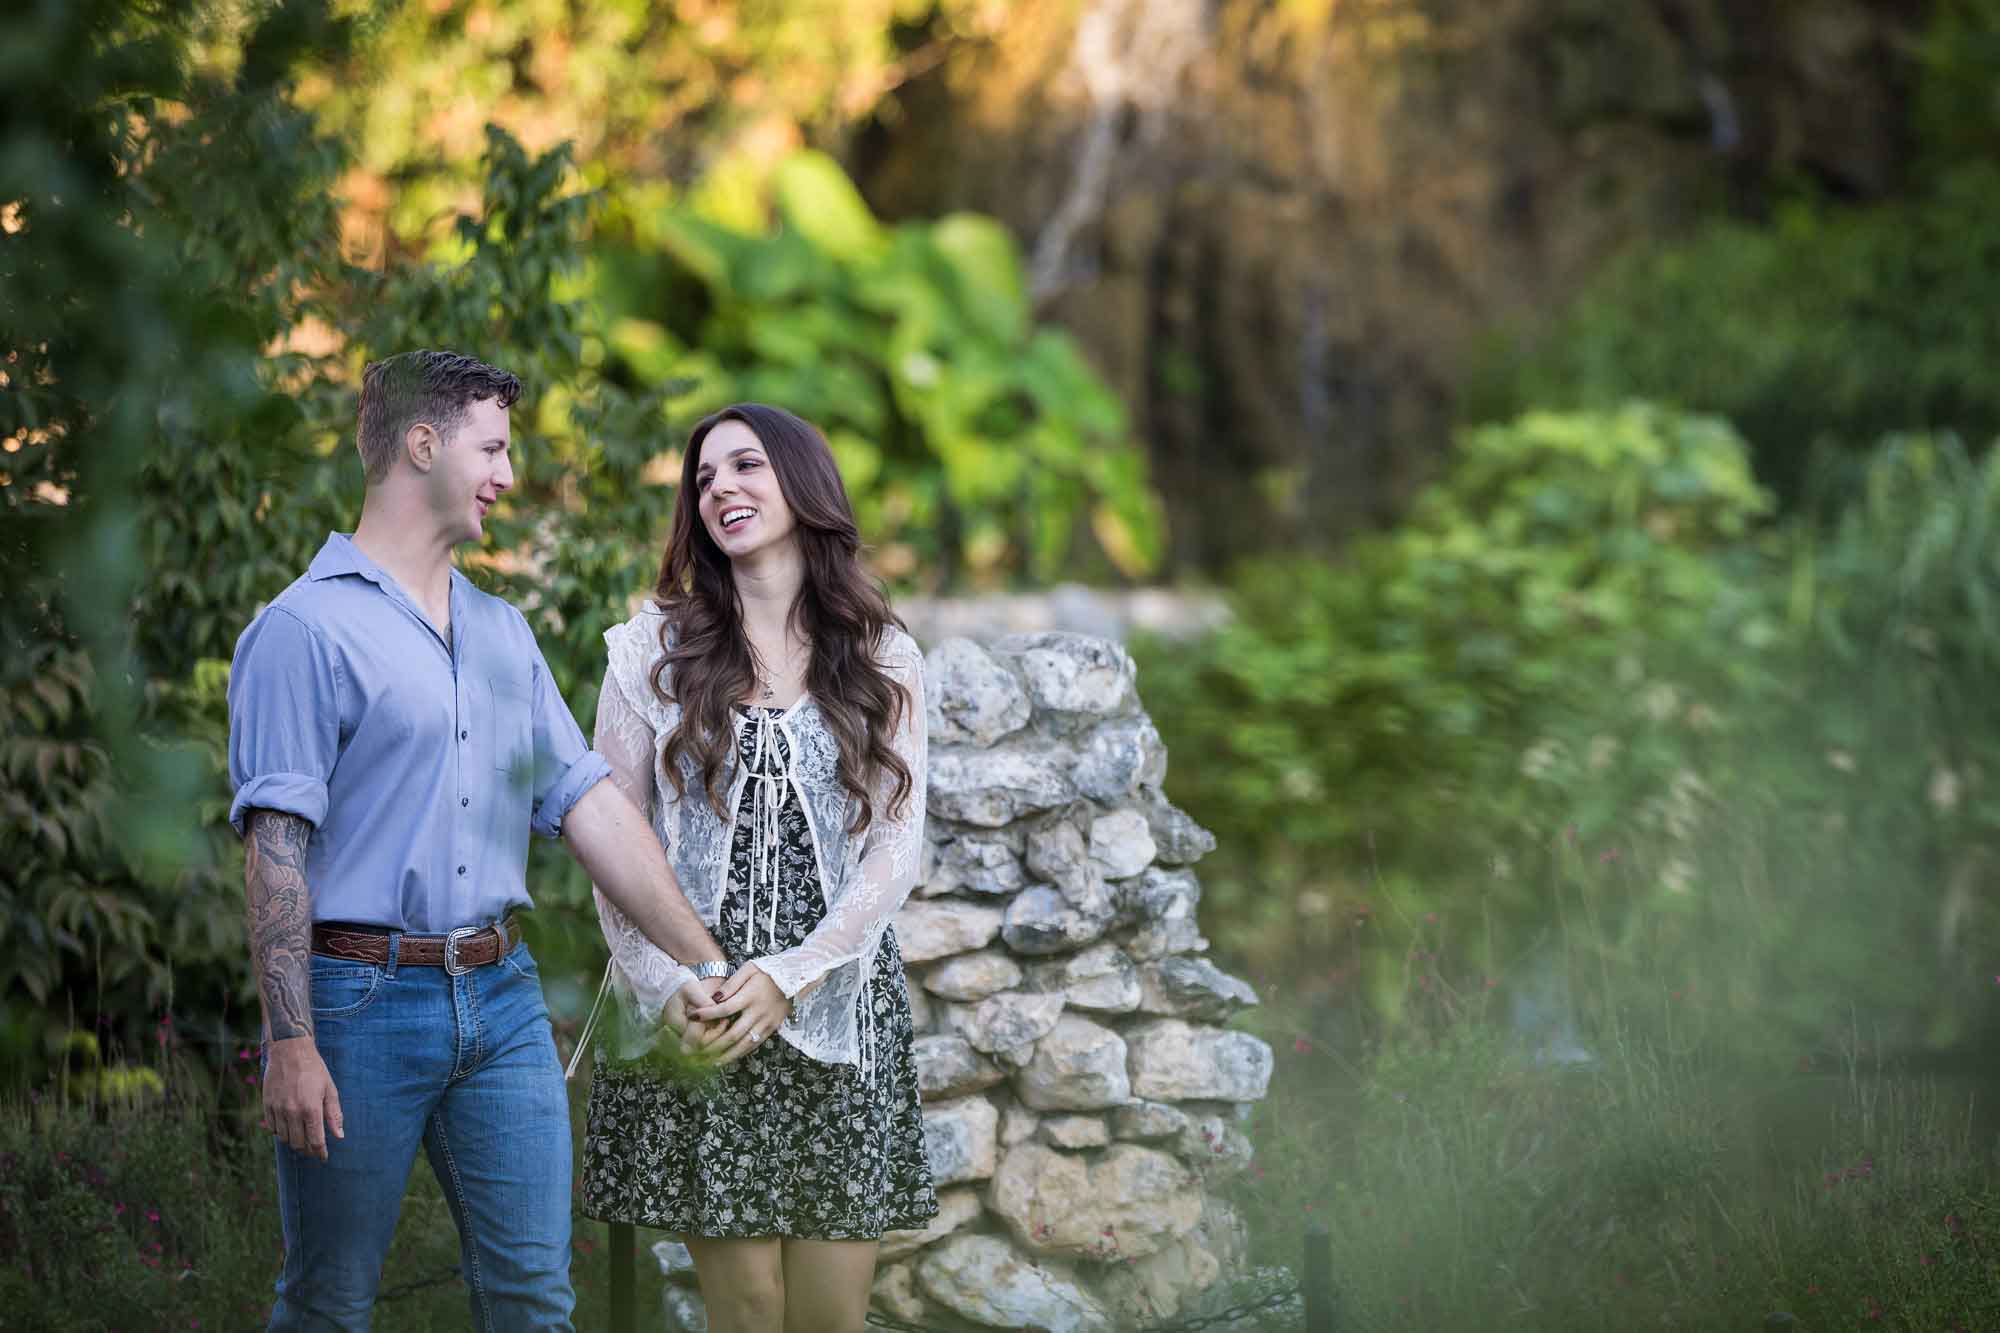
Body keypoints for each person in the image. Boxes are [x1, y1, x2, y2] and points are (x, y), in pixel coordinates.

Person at [226, 350, 731, 1331]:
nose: (506, 474)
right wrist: (291, 1042)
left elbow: (591, 808)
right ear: (422, 444)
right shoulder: (302, 629)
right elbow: (276, 848)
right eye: (491, 448)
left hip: (500, 1002)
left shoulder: (502, 632)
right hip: (357, 1005)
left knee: (535, 1298)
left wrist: (703, 959)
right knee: (331, 1301)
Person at [579, 403, 939, 1333]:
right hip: (708, 1013)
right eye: (704, 479)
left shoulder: (881, 651)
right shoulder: (648, 652)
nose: (721, 490)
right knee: (745, 1310)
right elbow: (611, 842)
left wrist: (795, 972)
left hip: (835, 1004)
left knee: (830, 1314)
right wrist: (667, 985)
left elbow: (896, 845)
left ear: (802, 483)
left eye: (745, 467)